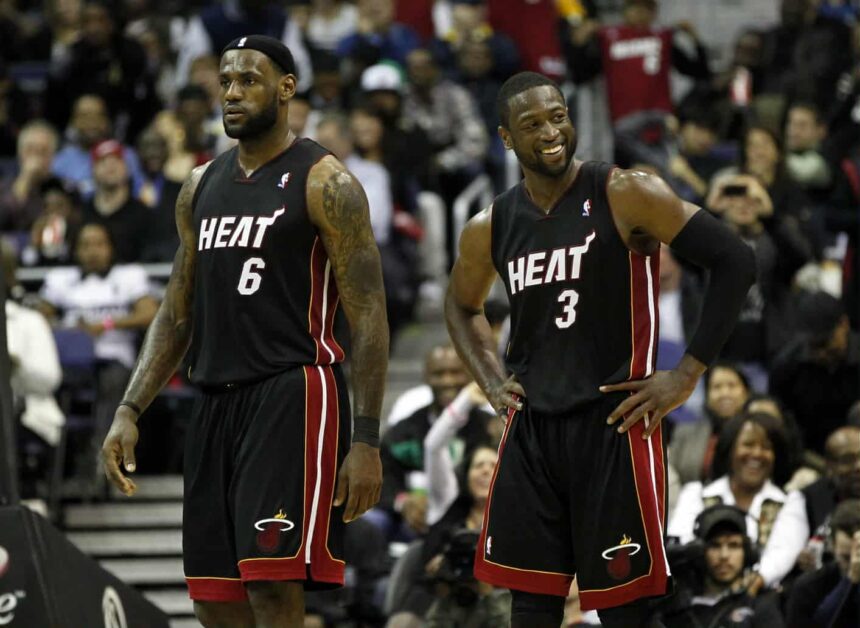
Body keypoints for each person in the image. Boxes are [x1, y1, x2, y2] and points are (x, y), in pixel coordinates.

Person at [445, 71, 755, 627]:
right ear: (505, 138)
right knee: (531, 608)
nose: (551, 132)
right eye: (532, 124)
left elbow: (735, 259)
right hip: (534, 431)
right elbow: (461, 305)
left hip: (613, 422)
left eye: (558, 116)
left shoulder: (627, 191)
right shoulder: (490, 226)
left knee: (625, 611)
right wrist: (492, 380)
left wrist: (687, 374)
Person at [100, 35, 389, 627]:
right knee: (213, 597)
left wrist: (365, 439)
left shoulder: (325, 181)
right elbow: (177, 311)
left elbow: (368, 314)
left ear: (286, 88)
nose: (231, 93)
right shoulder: (200, 185)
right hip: (212, 400)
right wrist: (131, 406)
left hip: (291, 393)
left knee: (272, 586)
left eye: (248, 80)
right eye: (225, 82)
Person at [668, 413, 791, 547]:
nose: (757, 453)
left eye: (766, 447)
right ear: (730, 449)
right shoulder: (695, 496)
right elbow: (678, 550)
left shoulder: (788, 505)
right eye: (748, 445)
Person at [659, 505, 786, 628]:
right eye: (715, 545)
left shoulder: (760, 604)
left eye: (733, 545)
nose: (724, 555)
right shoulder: (677, 606)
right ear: (698, 552)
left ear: (748, 553)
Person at [785, 498, 860, 628]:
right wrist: (850, 580)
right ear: (832, 548)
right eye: (846, 558)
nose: (854, 563)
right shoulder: (808, 587)